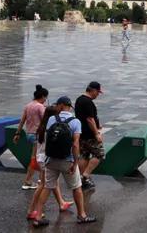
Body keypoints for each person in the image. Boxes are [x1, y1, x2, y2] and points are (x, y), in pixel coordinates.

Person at [31, 97, 96, 226]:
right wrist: (75, 163)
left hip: (50, 159)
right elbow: (76, 144)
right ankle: (82, 215)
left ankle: (37, 217)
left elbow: (49, 139)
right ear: (68, 106)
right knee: (76, 188)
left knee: (47, 187)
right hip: (67, 160)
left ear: (60, 106)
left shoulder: (51, 119)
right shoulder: (75, 121)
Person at [27, 104, 73, 224]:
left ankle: (62, 203)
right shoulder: (52, 129)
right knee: (43, 185)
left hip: (40, 157)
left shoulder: (42, 127)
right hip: (46, 158)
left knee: (52, 182)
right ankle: (32, 210)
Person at [13, 85, 50, 189]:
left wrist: (17, 133)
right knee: (36, 158)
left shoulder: (28, 105)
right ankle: (27, 181)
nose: (45, 100)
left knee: (39, 157)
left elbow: (22, 121)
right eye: (45, 98)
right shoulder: (40, 106)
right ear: (43, 96)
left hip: (29, 134)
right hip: (38, 135)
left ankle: (40, 178)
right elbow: (45, 120)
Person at [74, 82, 105, 190]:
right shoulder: (88, 102)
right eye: (97, 92)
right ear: (93, 90)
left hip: (81, 133)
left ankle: (82, 180)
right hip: (90, 135)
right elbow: (89, 119)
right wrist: (96, 133)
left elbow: (83, 117)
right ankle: (85, 175)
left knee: (84, 155)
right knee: (100, 155)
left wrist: (97, 125)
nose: (98, 95)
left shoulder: (79, 100)